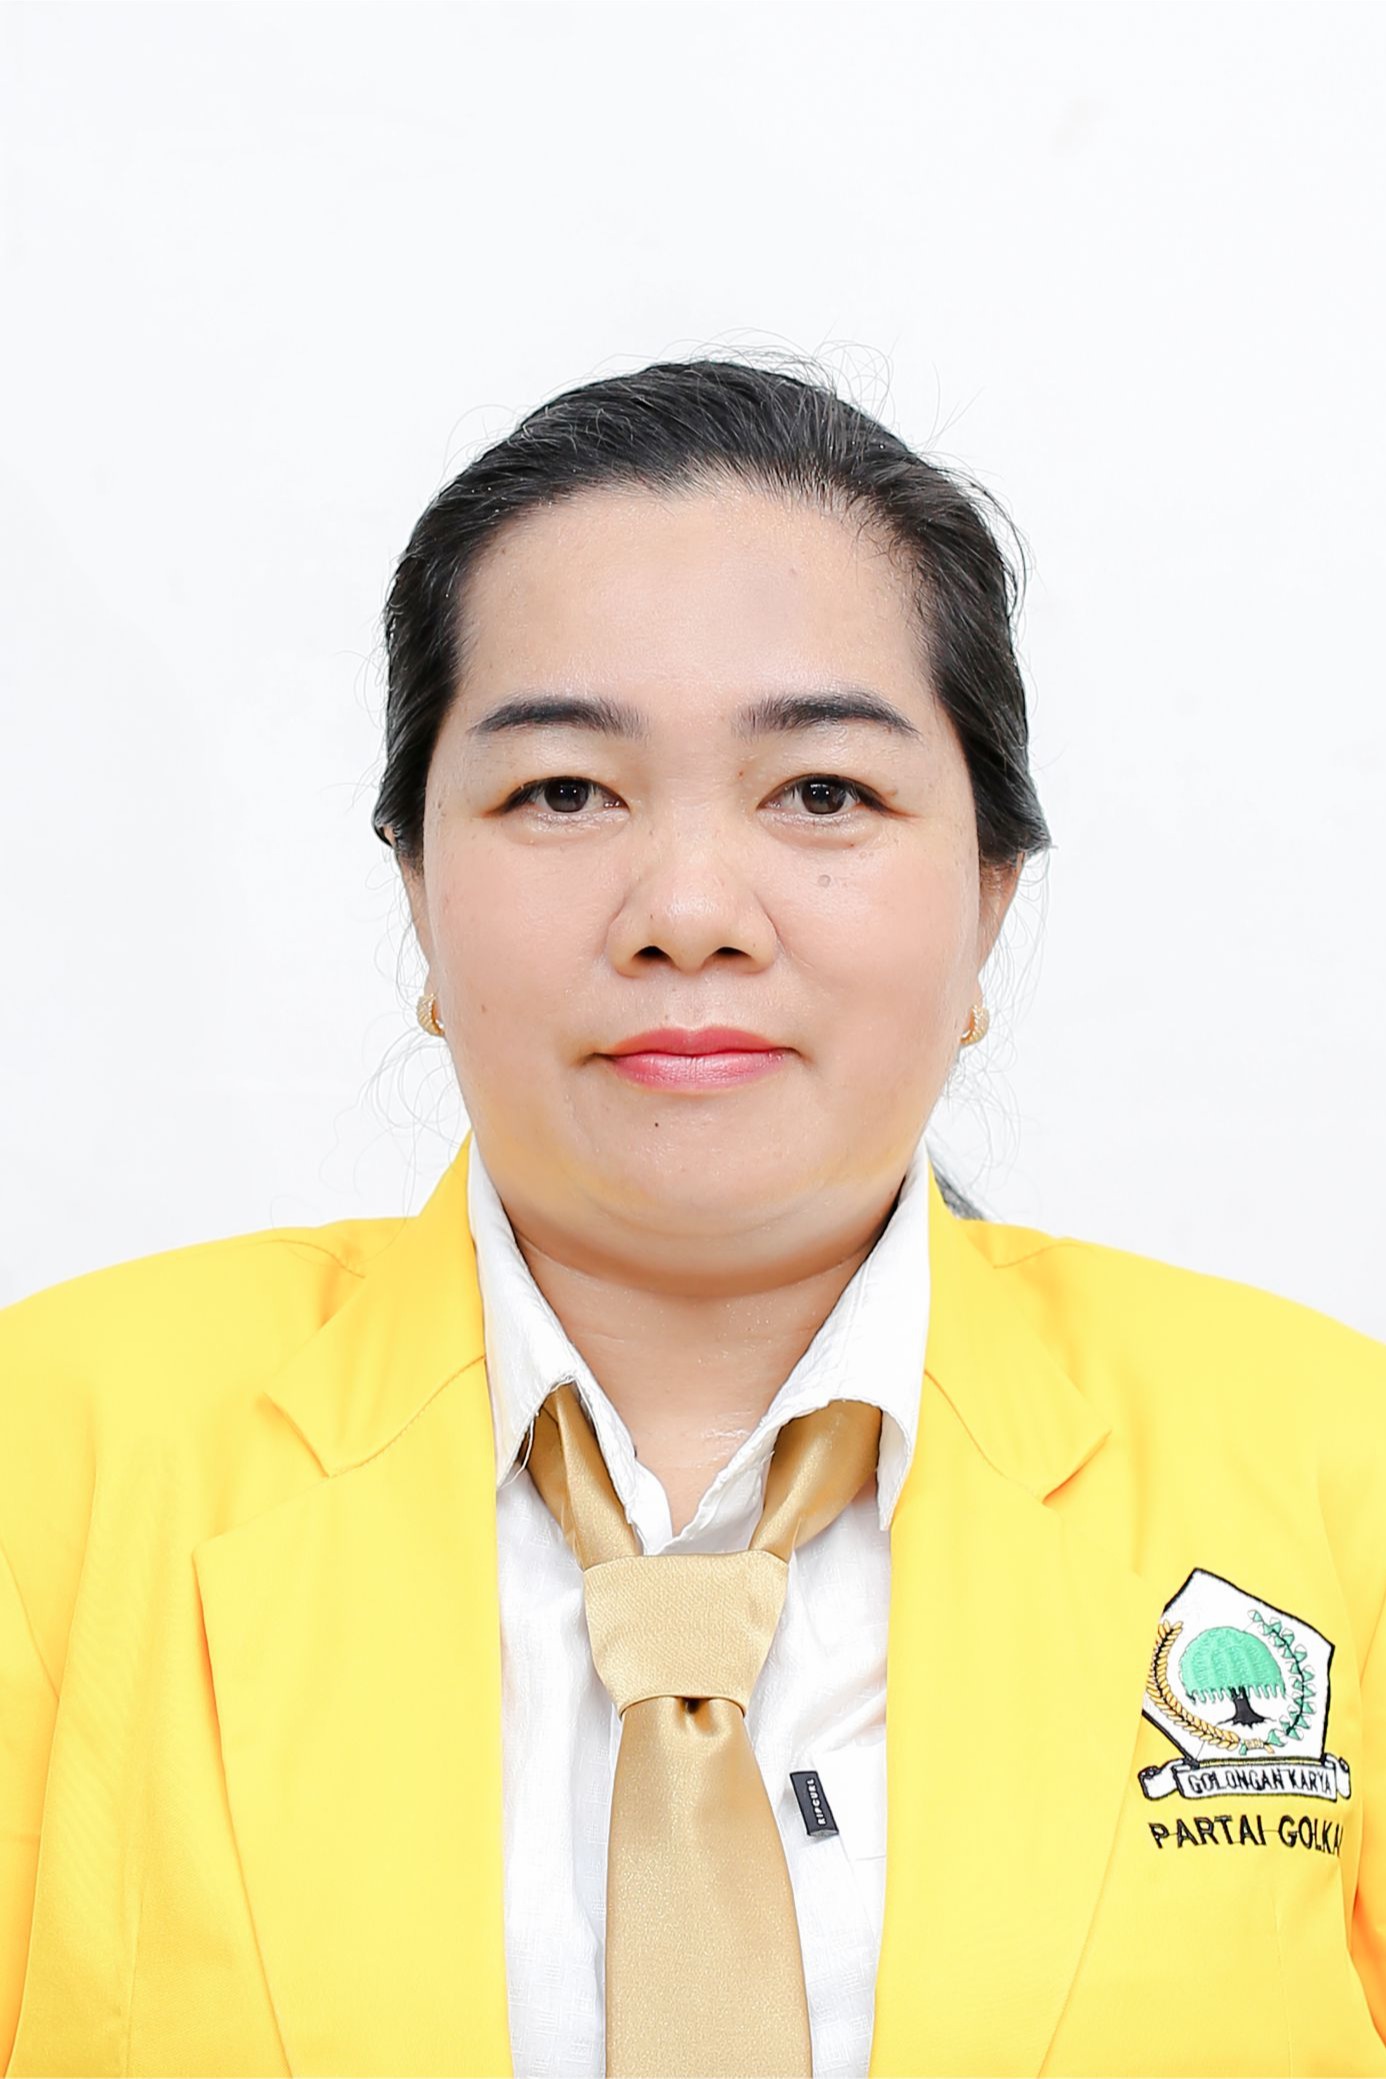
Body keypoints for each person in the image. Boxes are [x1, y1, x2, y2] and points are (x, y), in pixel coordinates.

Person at [1, 356, 1383, 2079]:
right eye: (561, 792)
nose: (687, 908)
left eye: (822, 792)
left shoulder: (1333, 1466)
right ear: (417, 887)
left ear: (989, 894)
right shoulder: (49, 1455)